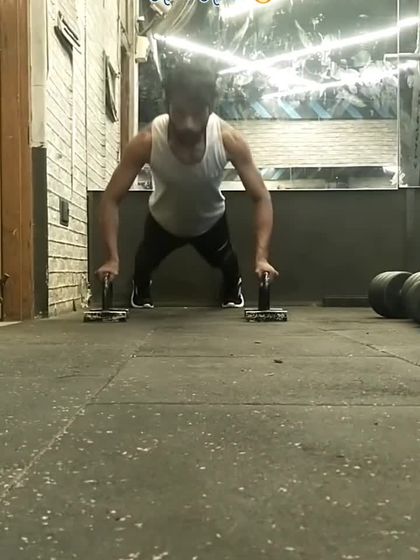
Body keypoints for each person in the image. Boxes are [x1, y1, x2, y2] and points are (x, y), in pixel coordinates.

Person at [97, 60, 278, 309]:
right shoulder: (146, 141)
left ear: (210, 108)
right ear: (167, 105)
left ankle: (231, 289)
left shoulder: (229, 140)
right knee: (142, 266)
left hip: (210, 222)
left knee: (229, 267)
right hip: (163, 222)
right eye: (180, 113)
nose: (188, 124)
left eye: (197, 113)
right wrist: (111, 258)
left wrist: (262, 257)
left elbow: (261, 197)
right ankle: (141, 288)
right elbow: (110, 198)